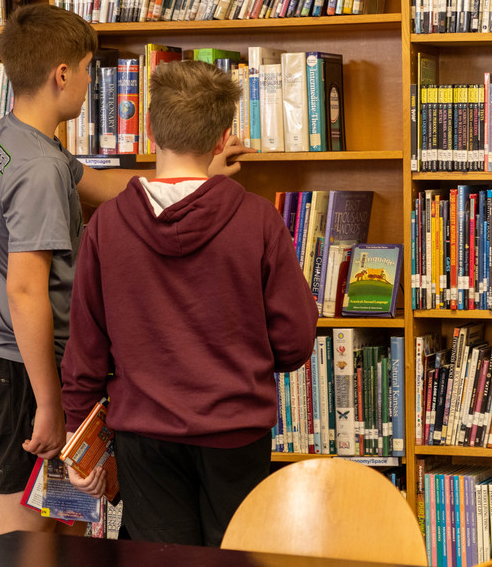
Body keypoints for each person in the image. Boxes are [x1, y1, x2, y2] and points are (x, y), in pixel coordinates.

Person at [0, 5, 249, 536]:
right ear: (61, 74)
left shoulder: (14, 139)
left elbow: (104, 188)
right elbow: (25, 290)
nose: (92, 82)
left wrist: (193, 170)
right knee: (27, 540)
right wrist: (50, 405)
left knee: (67, 525)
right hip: (22, 370)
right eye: (89, 69)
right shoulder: (41, 169)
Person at [62, 59, 319, 547]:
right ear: (223, 139)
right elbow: (294, 342)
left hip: (144, 437)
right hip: (236, 433)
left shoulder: (107, 226)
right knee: (239, 553)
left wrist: (79, 439)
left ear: (151, 131)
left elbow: (86, 350)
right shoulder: (258, 220)